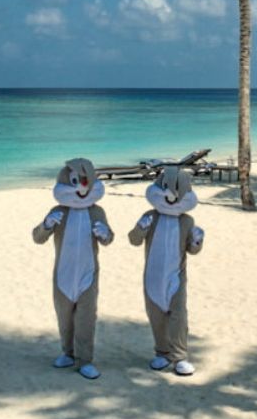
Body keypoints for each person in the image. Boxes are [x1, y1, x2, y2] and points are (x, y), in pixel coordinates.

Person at [32, 158, 113, 380]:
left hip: (88, 274)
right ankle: (67, 352)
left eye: (85, 182)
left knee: (86, 318)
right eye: (76, 182)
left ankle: (85, 360)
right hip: (63, 275)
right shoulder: (58, 210)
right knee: (64, 317)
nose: (81, 188)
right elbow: (38, 238)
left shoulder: (97, 211)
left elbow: (109, 238)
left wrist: (105, 234)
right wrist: (47, 224)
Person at [129, 167, 204, 377]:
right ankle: (162, 352)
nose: (171, 196)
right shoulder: (150, 216)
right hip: (152, 277)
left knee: (178, 316)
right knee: (156, 316)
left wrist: (197, 241)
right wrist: (140, 228)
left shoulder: (186, 221)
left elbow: (192, 250)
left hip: (175, 278)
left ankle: (179, 357)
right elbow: (134, 240)